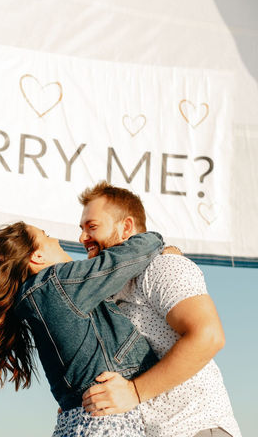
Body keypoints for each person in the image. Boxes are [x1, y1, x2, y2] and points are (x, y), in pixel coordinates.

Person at [0, 221, 165, 436]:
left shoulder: (36, 302)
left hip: (77, 423)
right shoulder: (56, 284)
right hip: (106, 422)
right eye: (46, 235)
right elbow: (126, 258)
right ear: (37, 257)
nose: (56, 240)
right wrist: (158, 241)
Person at [78, 182, 241, 437]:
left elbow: (209, 336)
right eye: (82, 228)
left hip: (195, 428)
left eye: (92, 227)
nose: (82, 238)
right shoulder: (108, 290)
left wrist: (134, 392)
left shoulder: (162, 266)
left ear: (126, 227)